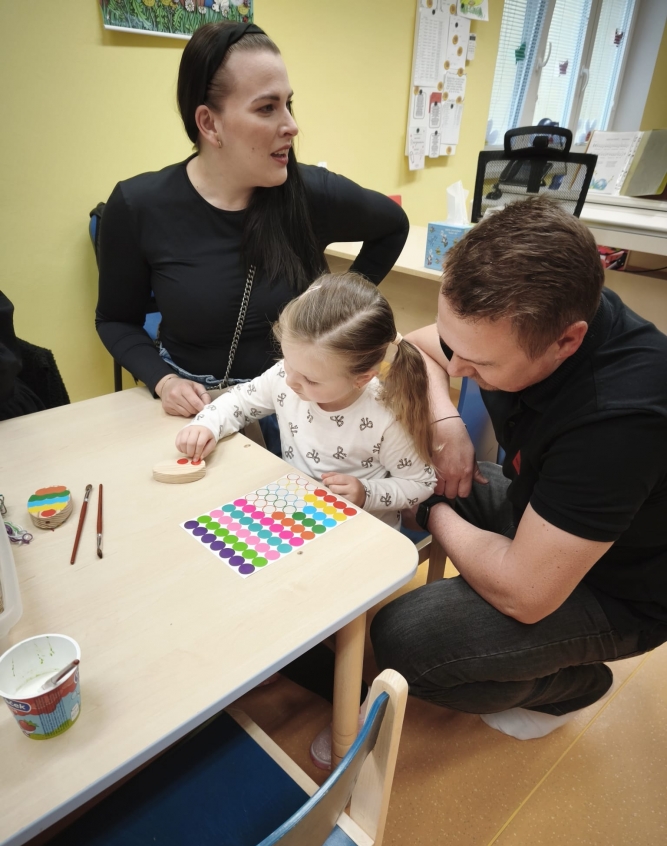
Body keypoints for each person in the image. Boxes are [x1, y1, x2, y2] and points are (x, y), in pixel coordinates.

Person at [371, 197, 667, 741]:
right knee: (436, 479)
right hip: (544, 508)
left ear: (566, 341)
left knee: (404, 639)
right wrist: (447, 422)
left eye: (479, 365)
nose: (456, 366)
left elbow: (525, 595)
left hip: (621, 588)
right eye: (452, 345)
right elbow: (415, 348)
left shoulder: (618, 420)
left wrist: (431, 511)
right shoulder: (535, 314)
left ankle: (573, 686)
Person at [95, 21, 409, 435]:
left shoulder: (311, 193)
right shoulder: (138, 205)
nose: (291, 125)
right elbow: (116, 320)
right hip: (195, 408)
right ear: (209, 124)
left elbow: (393, 225)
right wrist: (164, 380)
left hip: (297, 406)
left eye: (288, 104)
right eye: (266, 108)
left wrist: (339, 308)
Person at [175, 272, 436, 530]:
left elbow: (420, 483)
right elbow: (240, 402)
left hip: (361, 530)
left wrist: (366, 493)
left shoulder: (386, 418)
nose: (290, 381)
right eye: (287, 361)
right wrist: (207, 424)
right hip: (298, 516)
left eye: (311, 380)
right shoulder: (284, 376)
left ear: (362, 379)